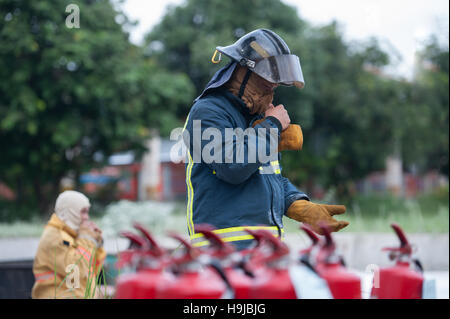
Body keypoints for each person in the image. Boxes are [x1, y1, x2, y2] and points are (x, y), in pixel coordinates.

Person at [182, 29, 349, 250]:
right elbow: (233, 167)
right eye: (265, 85)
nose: (270, 93)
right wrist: (273, 126)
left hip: (263, 251)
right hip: (221, 251)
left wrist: (299, 205)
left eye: (273, 88)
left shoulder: (258, 120)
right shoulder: (208, 112)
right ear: (242, 73)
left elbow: (268, 177)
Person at [31, 190, 106, 299]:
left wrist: (97, 244)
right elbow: (75, 271)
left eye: (87, 212)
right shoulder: (55, 236)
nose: (87, 217)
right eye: (83, 212)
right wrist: (87, 239)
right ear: (70, 211)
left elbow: (91, 270)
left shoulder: (73, 235)